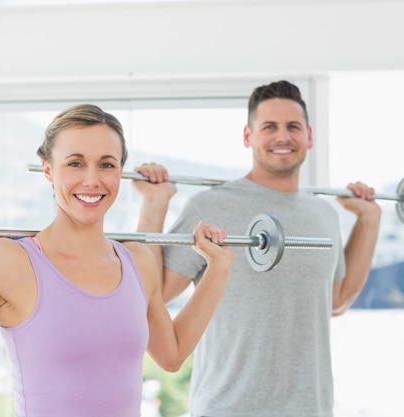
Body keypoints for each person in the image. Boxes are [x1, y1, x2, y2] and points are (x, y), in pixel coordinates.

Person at [0, 104, 234, 417]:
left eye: (106, 164)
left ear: (120, 173)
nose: (92, 180)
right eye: (75, 163)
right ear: (48, 170)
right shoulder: (9, 262)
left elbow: (170, 355)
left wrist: (218, 268)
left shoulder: (138, 261)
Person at [133, 80, 382, 417]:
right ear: (248, 137)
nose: (283, 136)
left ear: (308, 137)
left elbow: (336, 301)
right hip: (225, 408)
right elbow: (154, 293)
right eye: (269, 127)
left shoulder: (323, 215)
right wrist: (155, 203)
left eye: (292, 126)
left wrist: (368, 220)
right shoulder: (210, 205)